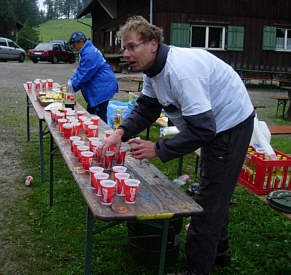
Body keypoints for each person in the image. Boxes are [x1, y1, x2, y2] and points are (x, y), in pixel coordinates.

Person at [100, 16, 254, 275]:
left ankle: (197, 270)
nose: (125, 53)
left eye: (131, 46)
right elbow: (147, 108)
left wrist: (158, 150)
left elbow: (205, 129)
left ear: (153, 44)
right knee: (216, 189)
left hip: (231, 126)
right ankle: (220, 253)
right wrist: (121, 133)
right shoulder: (153, 70)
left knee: (208, 202)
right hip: (214, 125)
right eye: (124, 47)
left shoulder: (181, 72)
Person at [66, 31, 118, 122]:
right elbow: (80, 71)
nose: (74, 47)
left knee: (99, 118)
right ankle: (96, 133)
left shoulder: (89, 53)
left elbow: (84, 76)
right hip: (101, 86)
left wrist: (70, 88)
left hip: (102, 87)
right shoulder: (85, 51)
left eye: (74, 45)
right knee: (91, 114)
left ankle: (104, 135)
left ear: (81, 41)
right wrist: (69, 83)